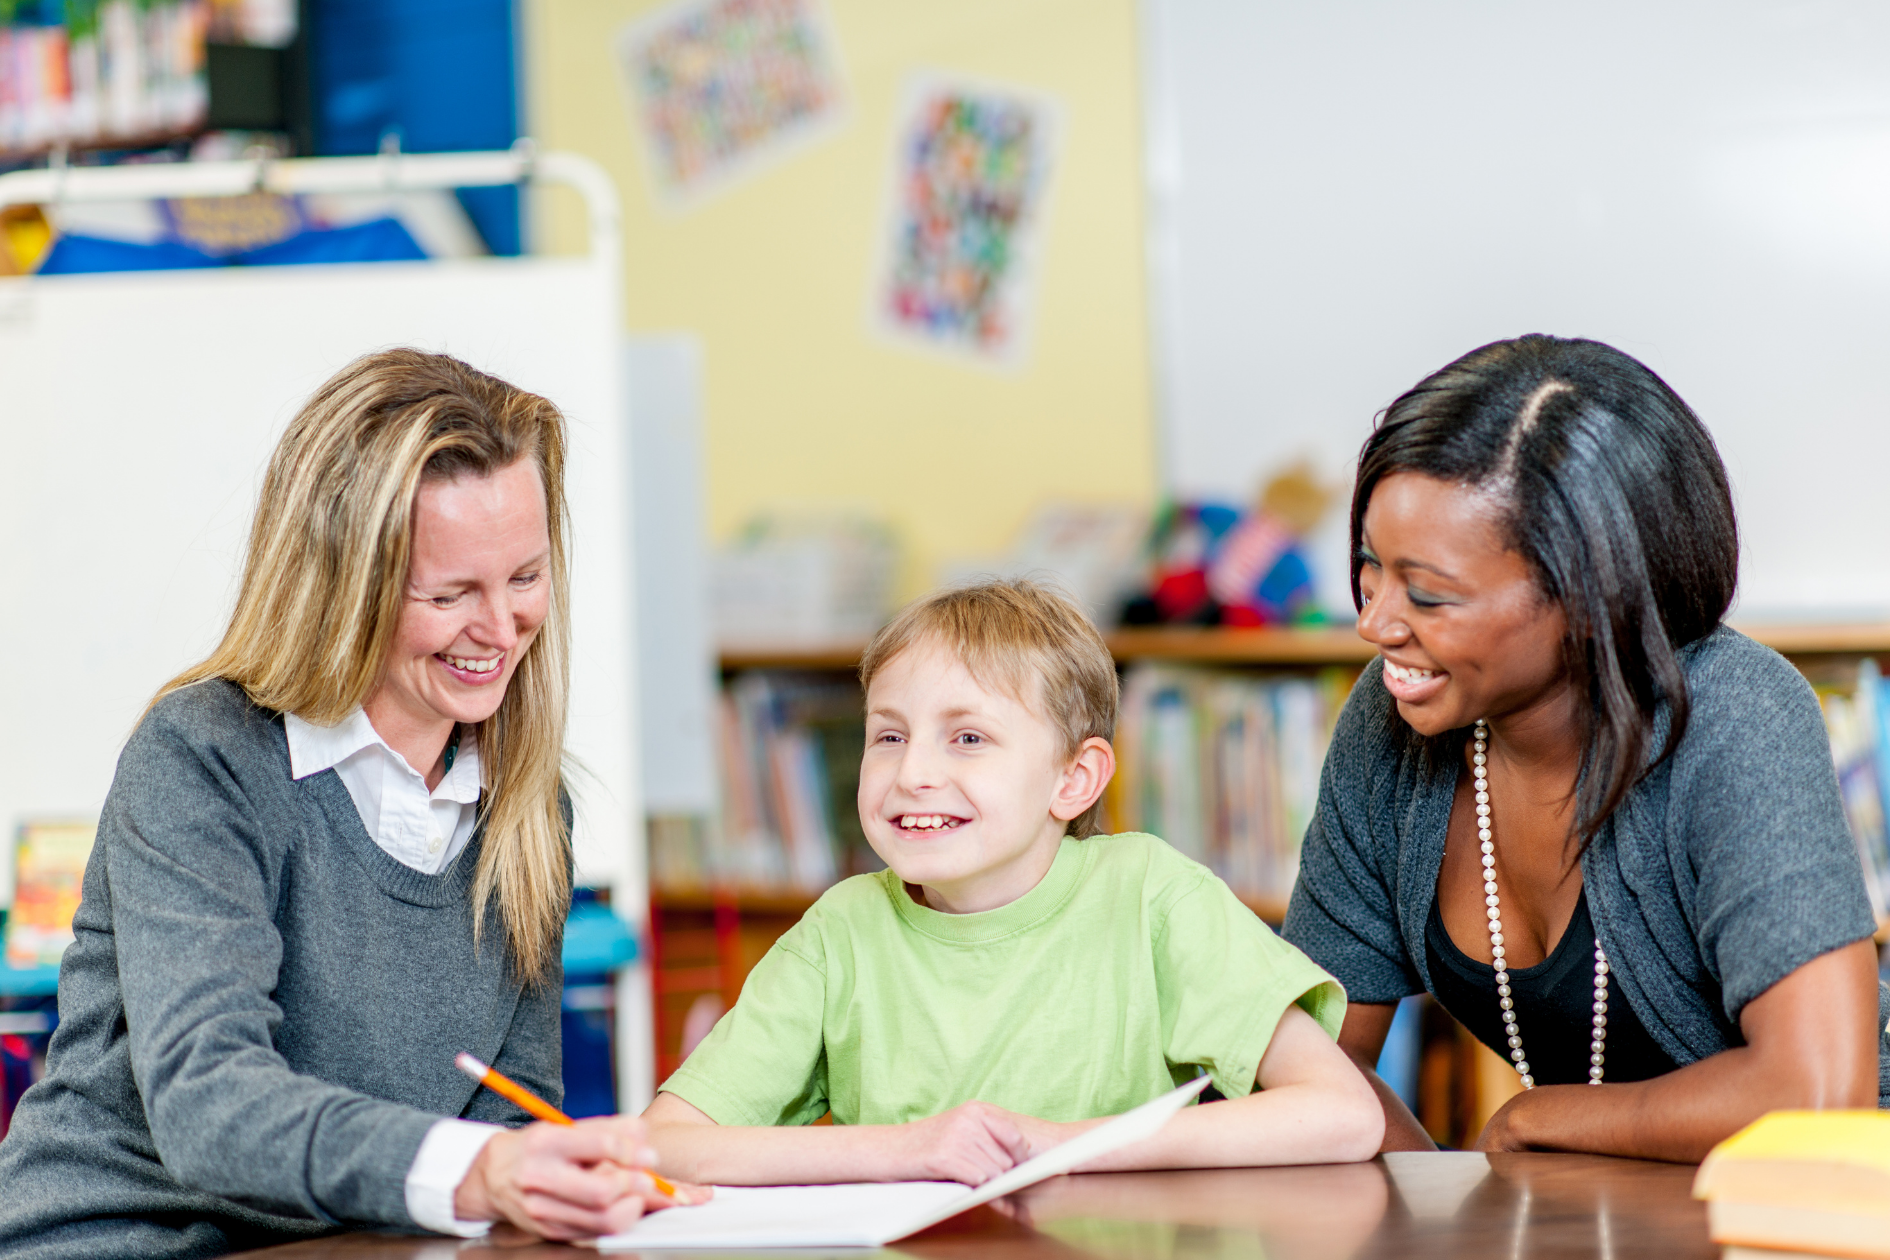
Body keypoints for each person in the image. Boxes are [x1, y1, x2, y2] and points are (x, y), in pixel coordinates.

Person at [0, 350, 696, 1258]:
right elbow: (209, 1103)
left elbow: (510, 1108)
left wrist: (557, 1184)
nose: (500, 629)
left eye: (525, 577)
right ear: (343, 588)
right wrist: (481, 1173)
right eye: (449, 594)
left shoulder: (528, 809)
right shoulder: (203, 757)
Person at [1282, 334, 1889, 1160]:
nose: (1377, 623)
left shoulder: (1735, 713)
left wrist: (1537, 1120)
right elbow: (1306, 1064)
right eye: (1368, 569)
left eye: (1427, 593)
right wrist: (1441, 1206)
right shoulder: (1391, 720)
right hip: (1618, 1208)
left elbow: (1818, 1095)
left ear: (1586, 591)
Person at [643, 580, 1384, 1185]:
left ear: (1075, 779)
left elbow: (1342, 1113)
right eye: (889, 736)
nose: (914, 774)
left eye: (968, 738)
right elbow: (662, 1146)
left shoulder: (1152, 895)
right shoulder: (841, 933)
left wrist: (1053, 1145)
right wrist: (909, 1150)